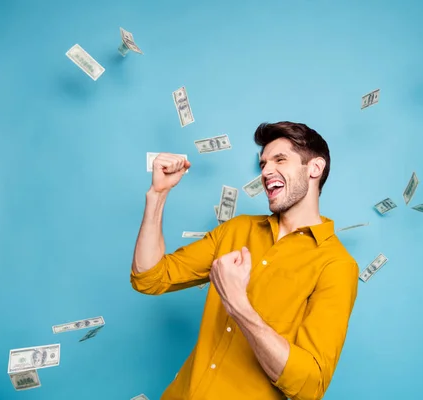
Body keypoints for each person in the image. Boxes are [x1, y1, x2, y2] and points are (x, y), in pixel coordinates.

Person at [130, 121, 359, 400]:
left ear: (315, 168)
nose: (266, 172)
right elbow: (148, 277)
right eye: (263, 164)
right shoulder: (238, 229)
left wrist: (238, 304)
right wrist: (158, 195)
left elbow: (310, 386)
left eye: (279, 160)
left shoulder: (336, 265)